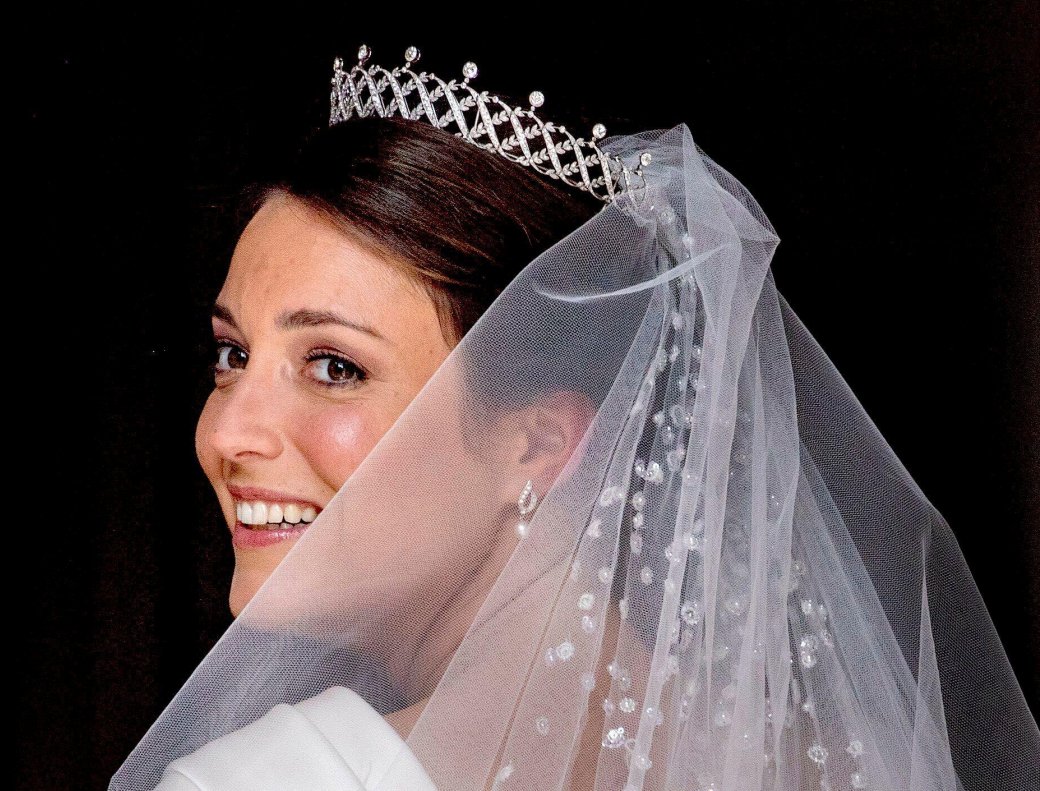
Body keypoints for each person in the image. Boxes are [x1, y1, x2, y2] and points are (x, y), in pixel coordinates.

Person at [111, 44, 1040, 790]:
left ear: (541, 441)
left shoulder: (262, 781)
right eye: (232, 355)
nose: (227, 433)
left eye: (334, 366)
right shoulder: (838, 756)